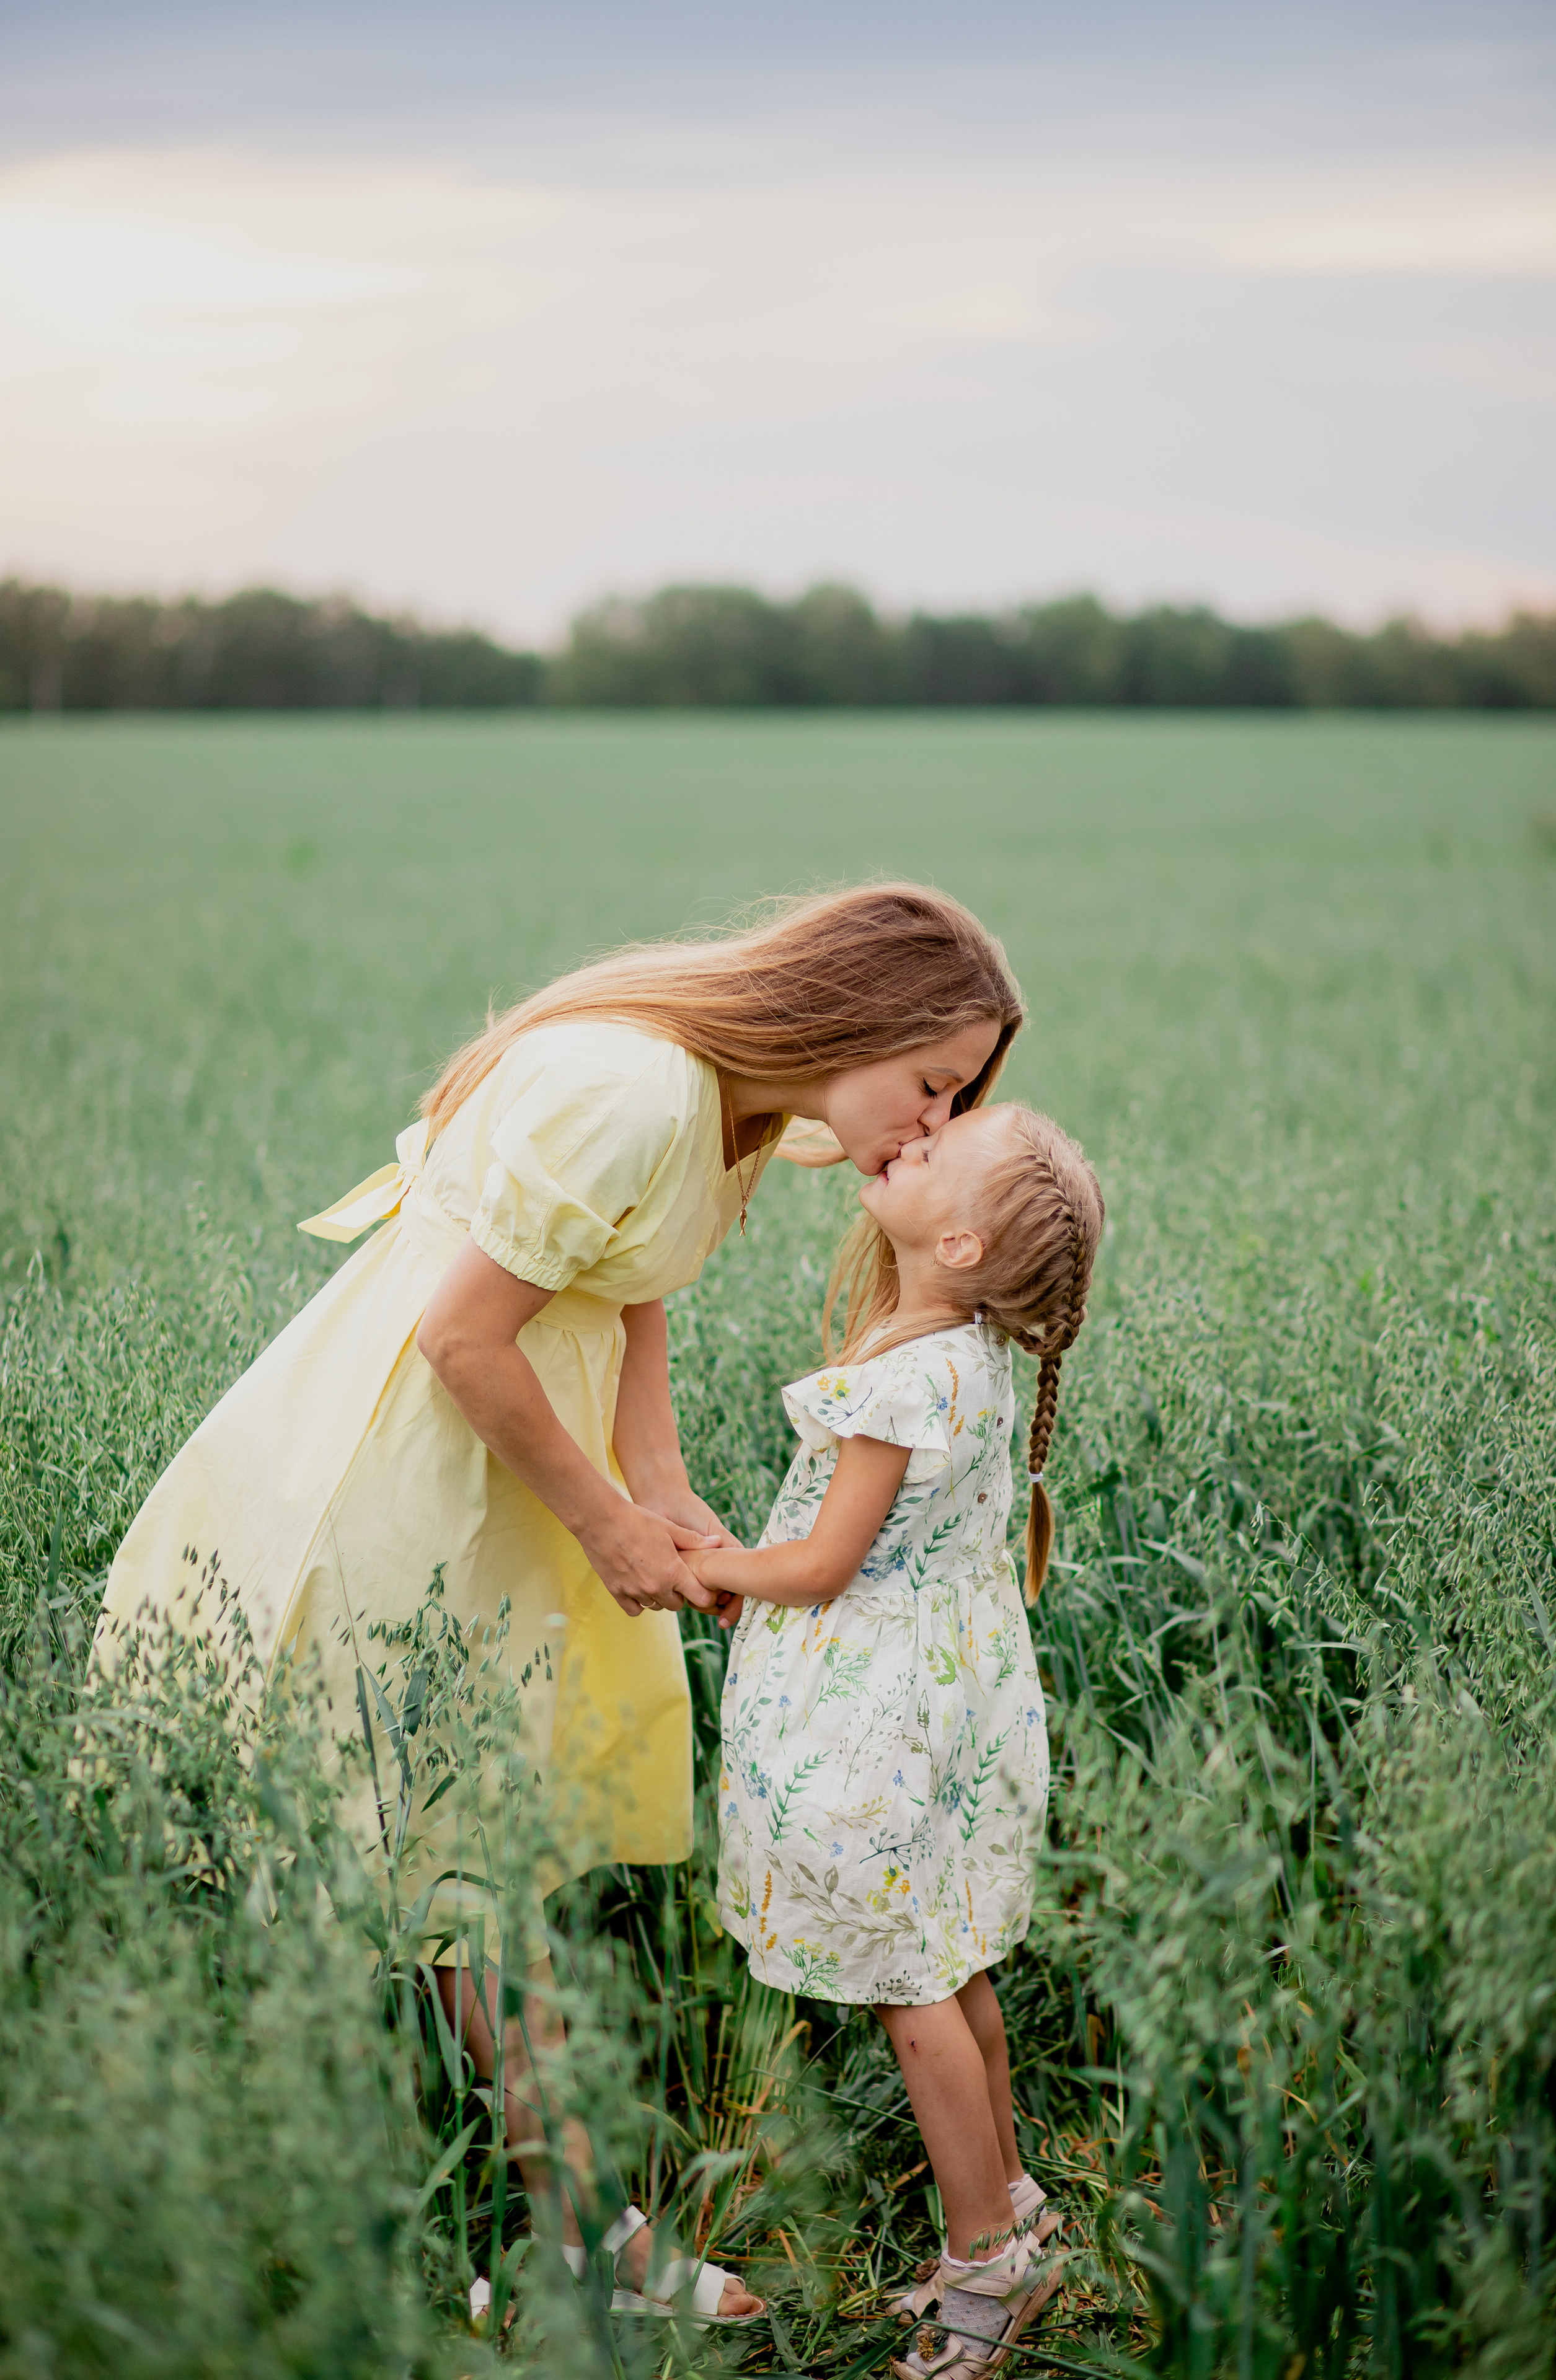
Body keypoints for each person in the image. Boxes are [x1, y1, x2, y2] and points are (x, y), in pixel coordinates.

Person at [94, 883, 1024, 2324]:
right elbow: (459, 1334)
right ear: (861, 1013)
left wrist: (653, 1477)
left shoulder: (737, 1109)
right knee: (452, 1869)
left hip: (519, 1464)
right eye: (931, 1082)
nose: (934, 1125)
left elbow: (628, 1278)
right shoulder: (639, 1087)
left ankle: (582, 2238)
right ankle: (541, 2242)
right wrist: (601, 1522)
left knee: (481, 1867)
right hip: (417, 1476)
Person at [689, 1100, 1103, 2375]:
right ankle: (1015, 2208)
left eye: (933, 1155)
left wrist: (708, 1563)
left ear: (965, 1245)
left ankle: (983, 2266)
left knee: (908, 1991)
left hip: (869, 1720)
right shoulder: (968, 1354)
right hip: (948, 1702)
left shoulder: (895, 1384)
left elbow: (818, 1566)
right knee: (948, 1959)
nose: (908, 1146)